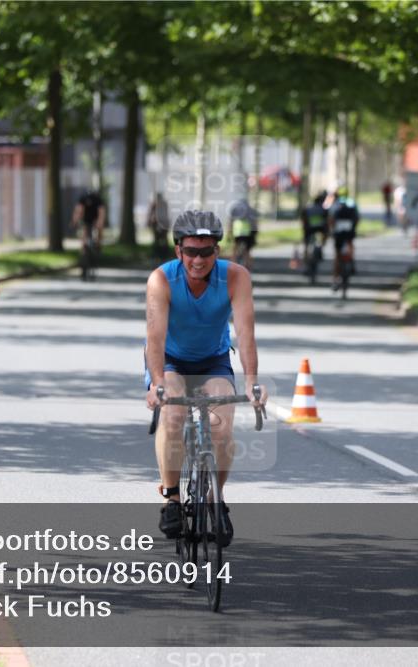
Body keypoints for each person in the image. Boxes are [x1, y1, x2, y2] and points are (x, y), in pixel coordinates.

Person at [145, 210, 268, 547]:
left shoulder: (236, 277)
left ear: (218, 251)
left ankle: (215, 497)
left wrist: (252, 382)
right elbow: (154, 338)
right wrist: (157, 383)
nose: (198, 260)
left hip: (213, 361)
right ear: (178, 251)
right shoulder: (161, 279)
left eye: (206, 252)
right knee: (173, 414)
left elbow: (245, 333)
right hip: (170, 361)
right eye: (191, 252)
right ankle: (171, 498)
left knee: (221, 426)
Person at [328, 188, 360, 288]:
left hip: (338, 233)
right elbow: (357, 217)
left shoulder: (335, 205)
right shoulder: (352, 203)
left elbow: (331, 219)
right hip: (349, 231)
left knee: (337, 255)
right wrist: (354, 227)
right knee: (350, 244)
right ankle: (352, 262)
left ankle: (335, 279)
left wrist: (331, 231)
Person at [71, 188, 106, 256]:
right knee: (85, 233)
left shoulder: (97, 200)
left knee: (100, 230)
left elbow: (101, 213)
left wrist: (99, 222)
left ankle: (98, 245)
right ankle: (84, 250)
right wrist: (75, 221)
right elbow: (78, 211)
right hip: (87, 218)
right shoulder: (83, 200)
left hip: (95, 217)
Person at [227, 198, 259, 268]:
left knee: (235, 249)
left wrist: (229, 233)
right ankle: (248, 265)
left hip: (237, 232)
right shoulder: (250, 210)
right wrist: (256, 232)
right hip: (248, 233)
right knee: (247, 251)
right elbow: (255, 223)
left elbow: (230, 222)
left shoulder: (235, 210)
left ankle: (232, 264)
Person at [300, 192, 329, 266]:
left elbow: (303, 219)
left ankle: (306, 260)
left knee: (306, 245)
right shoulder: (324, 209)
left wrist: (304, 228)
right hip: (320, 229)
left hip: (309, 229)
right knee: (324, 237)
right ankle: (321, 247)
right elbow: (327, 221)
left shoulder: (308, 208)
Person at [147, 192, 171, 260]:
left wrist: (149, 221)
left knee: (157, 239)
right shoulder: (164, 203)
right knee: (163, 239)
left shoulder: (155, 203)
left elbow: (151, 213)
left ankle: (157, 253)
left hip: (157, 222)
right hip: (163, 222)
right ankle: (164, 253)